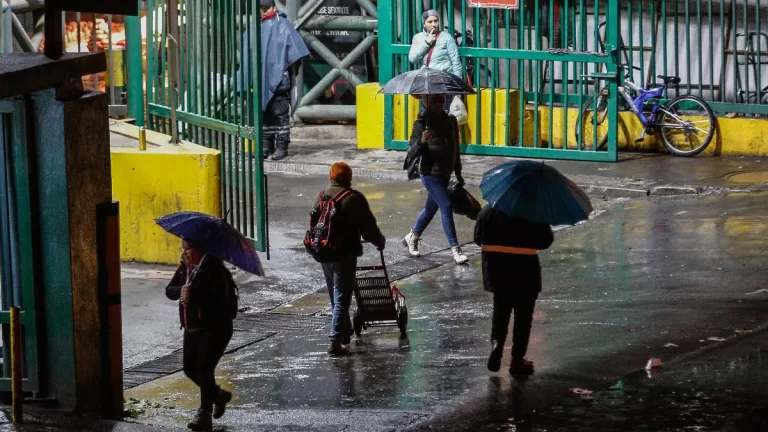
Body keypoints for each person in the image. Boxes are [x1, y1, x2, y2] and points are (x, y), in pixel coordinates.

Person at [312, 162, 386, 356]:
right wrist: (379, 241)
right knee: (342, 297)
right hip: (344, 254)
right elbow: (369, 228)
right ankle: (335, 340)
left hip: (323, 253)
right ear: (349, 178)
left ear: (331, 177)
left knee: (334, 293)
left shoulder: (321, 196)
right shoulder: (353, 198)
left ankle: (344, 333)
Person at [473, 206, 554, 376]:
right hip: (526, 272)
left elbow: (478, 237)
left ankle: (496, 344)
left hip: (498, 272)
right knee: (523, 317)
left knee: (501, 310)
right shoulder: (533, 212)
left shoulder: (488, 211)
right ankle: (517, 360)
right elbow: (545, 241)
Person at [166, 240, 237, 431]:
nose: (185, 250)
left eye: (189, 247)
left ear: (201, 248)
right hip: (192, 328)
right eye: (183, 246)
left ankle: (204, 415)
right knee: (190, 369)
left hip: (215, 328)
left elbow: (219, 301)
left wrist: (194, 294)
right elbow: (169, 291)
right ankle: (218, 395)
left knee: (204, 369)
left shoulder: (214, 269)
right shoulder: (185, 268)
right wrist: (180, 290)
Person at [402, 94, 468, 264]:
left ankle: (413, 236)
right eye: (434, 101)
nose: (439, 103)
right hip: (429, 172)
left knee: (431, 209)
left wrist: (458, 171)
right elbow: (411, 151)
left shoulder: (451, 121)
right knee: (445, 206)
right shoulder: (421, 123)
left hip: (446, 171)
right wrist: (422, 142)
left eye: (441, 100)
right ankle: (455, 249)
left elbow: (455, 147)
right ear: (426, 103)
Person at [241, 0, 309, 160]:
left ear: (273, 7)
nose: (263, 11)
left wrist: (285, 70)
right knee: (265, 116)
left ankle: (281, 147)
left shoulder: (282, 25)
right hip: (267, 80)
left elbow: (295, 52)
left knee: (280, 116)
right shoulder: (258, 27)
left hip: (279, 82)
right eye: (261, 8)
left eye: (266, 8)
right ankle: (266, 147)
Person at [408, 9, 463, 111]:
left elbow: (455, 61)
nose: (434, 24)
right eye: (430, 22)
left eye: (436, 21)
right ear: (424, 24)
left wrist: (457, 87)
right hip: (427, 83)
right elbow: (412, 58)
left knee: (444, 113)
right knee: (426, 113)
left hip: (444, 82)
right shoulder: (418, 38)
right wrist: (427, 43)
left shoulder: (446, 37)